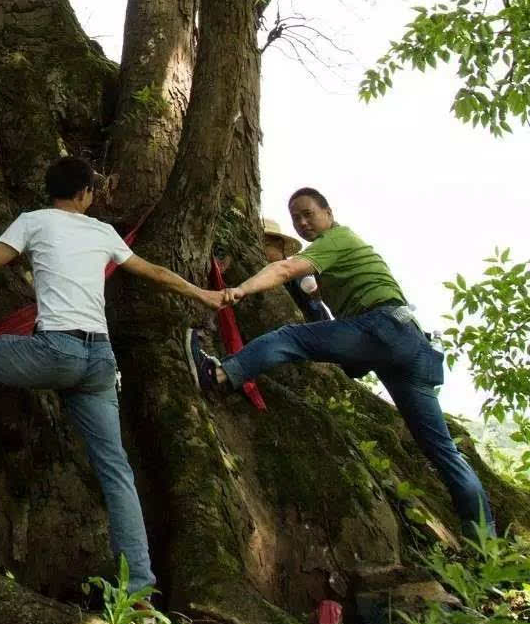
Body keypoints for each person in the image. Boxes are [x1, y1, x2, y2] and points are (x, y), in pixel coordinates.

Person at [0, 154, 225, 599]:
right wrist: (203, 293)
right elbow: (154, 272)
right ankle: (138, 586)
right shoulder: (103, 232)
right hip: (100, 361)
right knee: (117, 472)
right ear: (85, 194)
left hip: (56, 350)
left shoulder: (33, 221)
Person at [186, 185, 495, 541]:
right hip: (407, 343)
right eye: (295, 218)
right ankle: (484, 541)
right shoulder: (333, 261)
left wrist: (239, 290)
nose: (302, 223)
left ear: (328, 214)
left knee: (290, 337)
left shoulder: (338, 238)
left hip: (382, 328)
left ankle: (221, 374)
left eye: (308, 214)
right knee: (441, 449)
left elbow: (286, 269)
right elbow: (311, 297)